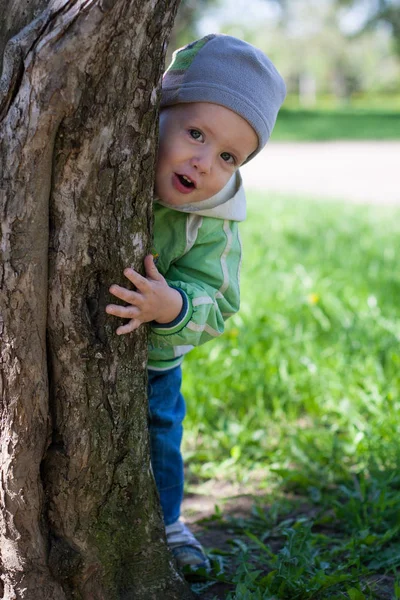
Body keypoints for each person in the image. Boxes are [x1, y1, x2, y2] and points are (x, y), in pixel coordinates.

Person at [105, 33, 286, 571]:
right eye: (196, 133)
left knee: (161, 436)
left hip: (156, 361)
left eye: (229, 156)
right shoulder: (110, 161)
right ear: (159, 109)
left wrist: (172, 306)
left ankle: (169, 525)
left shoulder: (214, 224)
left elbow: (220, 302)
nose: (205, 162)